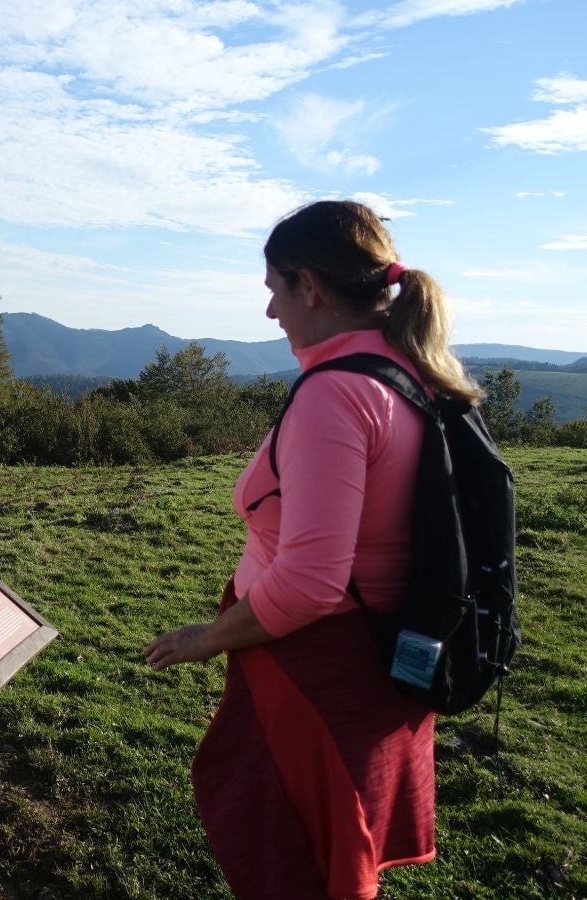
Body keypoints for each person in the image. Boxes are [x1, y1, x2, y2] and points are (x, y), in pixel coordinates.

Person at [144, 200, 482, 900]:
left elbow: (308, 583)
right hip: (381, 659)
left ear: (311, 286)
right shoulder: (410, 373)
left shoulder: (336, 395)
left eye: (275, 289)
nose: (271, 312)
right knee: (334, 865)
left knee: (296, 863)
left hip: (316, 673)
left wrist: (209, 637)